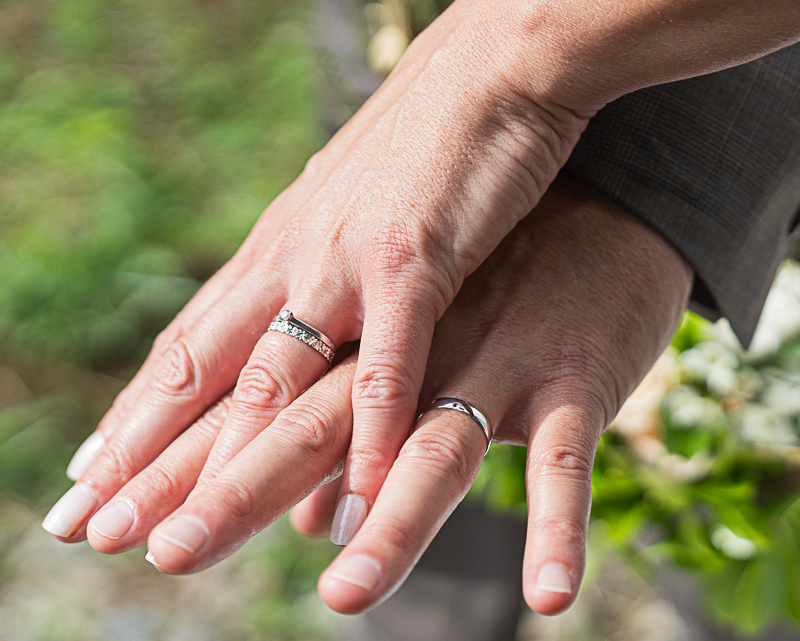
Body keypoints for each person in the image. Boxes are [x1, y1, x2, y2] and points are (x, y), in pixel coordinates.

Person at [42, 0, 800, 618]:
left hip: (733, 95)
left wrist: (519, 60)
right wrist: (433, 102)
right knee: (386, 414)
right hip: (401, 71)